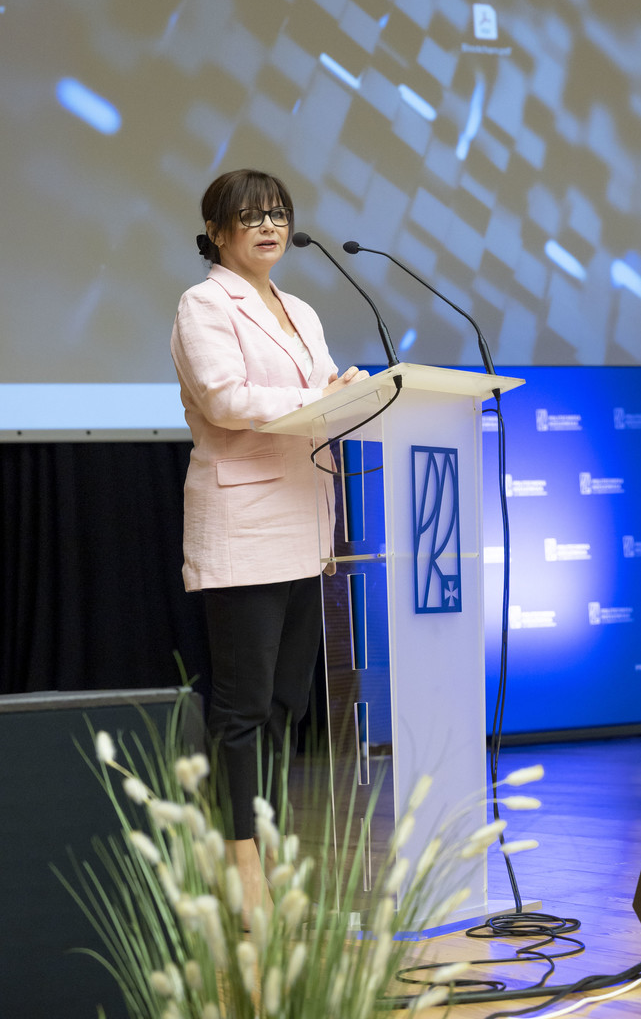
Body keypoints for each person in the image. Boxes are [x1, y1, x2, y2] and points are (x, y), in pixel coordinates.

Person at [170, 168, 368, 919]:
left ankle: (272, 844)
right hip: (245, 523)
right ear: (216, 232)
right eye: (250, 216)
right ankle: (241, 865)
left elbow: (320, 397)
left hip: (305, 520)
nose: (269, 227)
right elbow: (224, 400)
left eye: (278, 214)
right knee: (244, 706)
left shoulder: (302, 310)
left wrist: (350, 394)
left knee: (288, 702)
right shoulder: (203, 304)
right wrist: (319, 398)